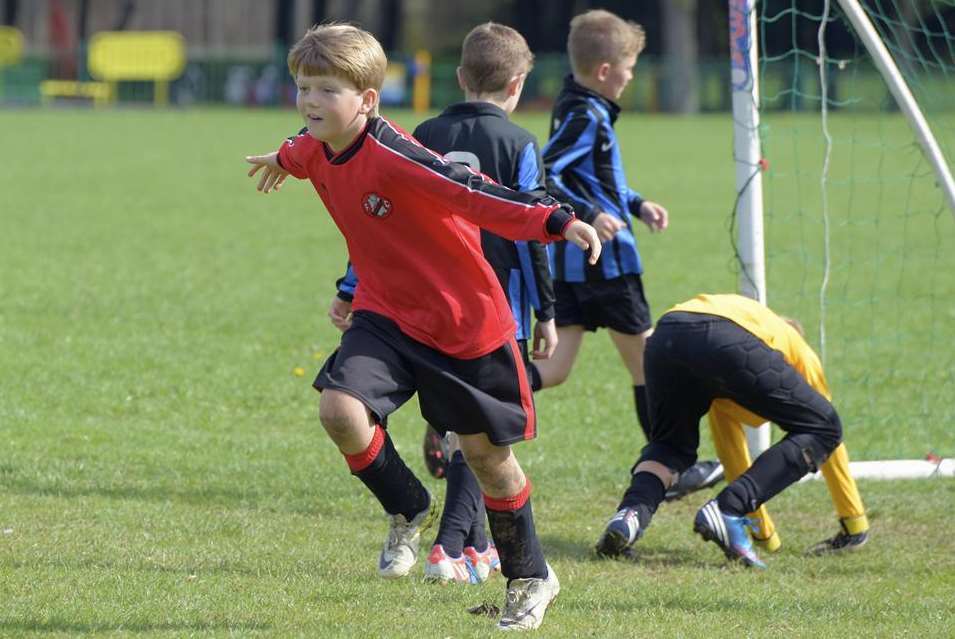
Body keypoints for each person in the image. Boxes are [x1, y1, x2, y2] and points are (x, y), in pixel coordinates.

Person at [245, 23, 601, 631]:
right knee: (339, 411)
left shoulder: (396, 155)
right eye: (304, 87)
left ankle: (531, 575)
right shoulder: (314, 145)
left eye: (328, 90)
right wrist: (279, 159)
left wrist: (557, 221)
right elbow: (299, 152)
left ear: (367, 101)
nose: (310, 101)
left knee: (489, 460)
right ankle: (409, 509)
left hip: (466, 326)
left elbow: (477, 193)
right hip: (385, 314)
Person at [330, 22, 557, 586]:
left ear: (458, 78)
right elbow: (525, 227)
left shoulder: (423, 129)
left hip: (426, 303)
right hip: (488, 307)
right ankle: (454, 545)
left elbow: (374, 220)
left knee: (469, 437)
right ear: (518, 83)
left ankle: (469, 544)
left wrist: (349, 287)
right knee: (474, 438)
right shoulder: (520, 143)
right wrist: (547, 310)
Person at [532, 9, 722, 500]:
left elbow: (592, 177)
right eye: (630, 67)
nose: (633, 76)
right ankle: (671, 466)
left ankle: (468, 404)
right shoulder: (585, 114)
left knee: (554, 370)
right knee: (651, 365)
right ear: (604, 71)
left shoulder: (576, 105)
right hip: (607, 265)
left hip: (571, 264)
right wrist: (592, 214)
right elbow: (544, 175)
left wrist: (636, 204)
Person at [594, 293, 864, 567]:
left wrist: (765, 536)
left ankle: (629, 516)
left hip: (666, 335)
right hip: (723, 338)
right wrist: (855, 522)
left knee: (669, 446)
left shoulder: (744, 348)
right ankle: (727, 510)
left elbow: (732, 452)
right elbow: (827, 432)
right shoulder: (796, 349)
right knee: (825, 427)